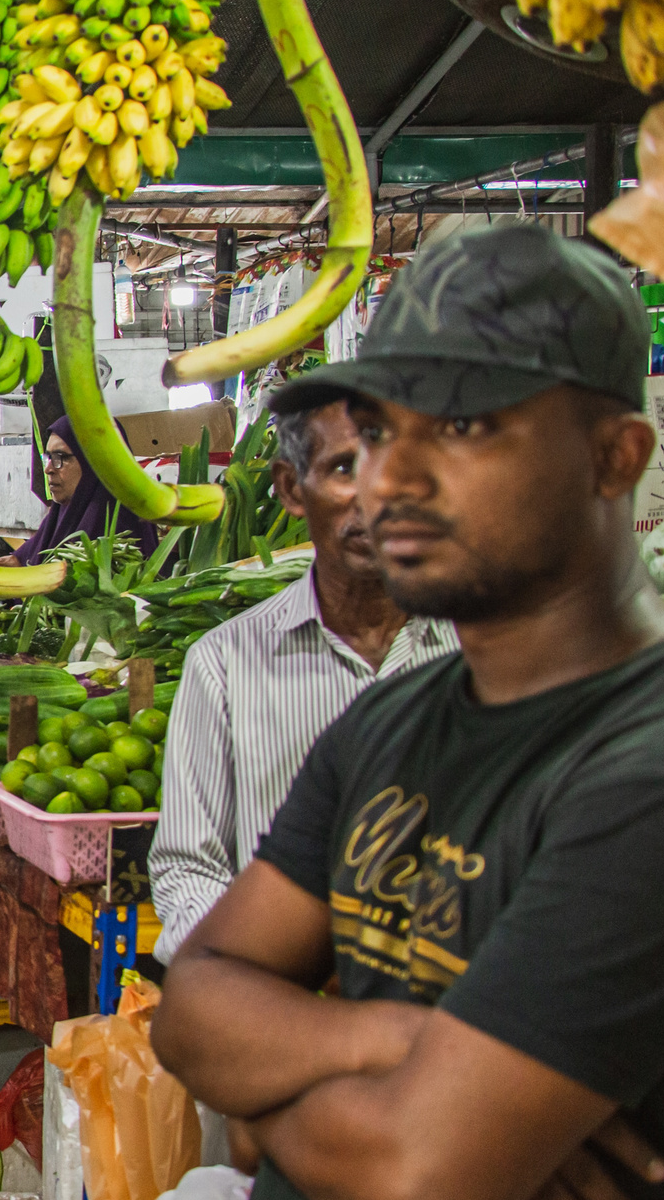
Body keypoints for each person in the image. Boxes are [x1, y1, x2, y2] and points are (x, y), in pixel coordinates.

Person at [153, 226, 664, 1200]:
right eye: (378, 430)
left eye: (466, 427)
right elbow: (194, 1012)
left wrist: (272, 1101)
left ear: (617, 456)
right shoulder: (393, 725)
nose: (392, 479)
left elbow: (426, 1173)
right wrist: (399, 1043)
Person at [149, 399, 455, 957]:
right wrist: (251, 973)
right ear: (291, 488)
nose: (377, 495)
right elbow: (190, 868)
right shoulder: (226, 663)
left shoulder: (477, 654)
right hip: (277, 984)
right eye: (346, 467)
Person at [5, 417, 160, 564]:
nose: (48, 469)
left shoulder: (121, 528)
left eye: (60, 457)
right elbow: (26, 557)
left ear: (95, 461)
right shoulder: (61, 515)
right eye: (48, 458)